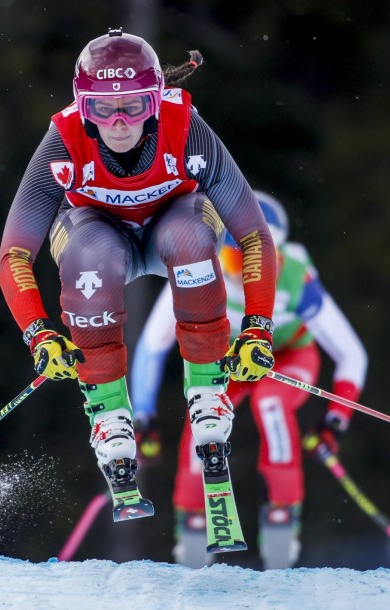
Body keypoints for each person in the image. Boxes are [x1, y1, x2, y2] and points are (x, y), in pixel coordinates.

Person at [0, 28, 278, 518]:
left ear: (156, 100)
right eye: (103, 109)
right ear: (83, 107)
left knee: (189, 241)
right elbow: (13, 255)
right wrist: (38, 334)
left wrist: (258, 328)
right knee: (90, 258)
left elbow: (253, 236)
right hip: (99, 235)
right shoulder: (61, 141)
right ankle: (108, 415)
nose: (120, 122)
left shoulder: (184, 125)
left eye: (135, 106)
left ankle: (209, 393)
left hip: (176, 224)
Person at [130, 192, 368, 568]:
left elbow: (351, 354)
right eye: (227, 258)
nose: (237, 275)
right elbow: (151, 346)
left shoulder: (293, 278)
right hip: (232, 364)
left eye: (248, 262)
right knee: (204, 413)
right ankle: (193, 521)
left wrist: (336, 420)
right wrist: (142, 415)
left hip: (288, 358)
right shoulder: (199, 270)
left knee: (271, 402)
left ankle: (280, 517)